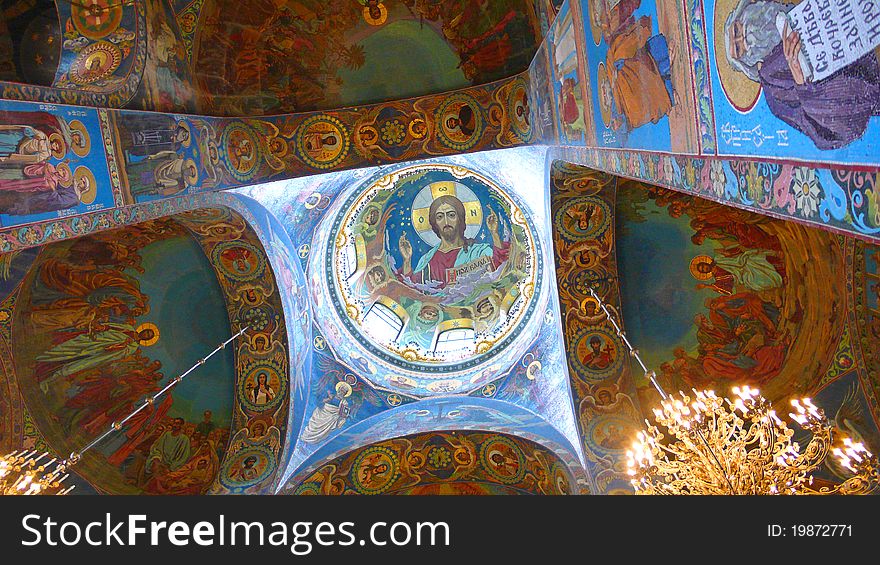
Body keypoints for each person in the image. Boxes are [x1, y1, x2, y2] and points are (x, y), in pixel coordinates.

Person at [723, 0, 880, 149]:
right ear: (747, 61)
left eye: (737, 30)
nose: (743, 38)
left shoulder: (797, 11)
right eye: (738, 48)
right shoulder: (774, 91)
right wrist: (803, 86)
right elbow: (827, 136)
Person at [398, 195, 510, 288]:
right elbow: (413, 289)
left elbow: (500, 269)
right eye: (440, 217)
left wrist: (494, 234)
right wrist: (407, 261)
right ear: (434, 223)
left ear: (460, 218)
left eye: (451, 215)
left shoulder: (478, 251)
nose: (446, 221)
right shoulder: (427, 260)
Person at [603, 16, 674, 132]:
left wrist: (619, 62)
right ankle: (667, 67)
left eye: (613, 123)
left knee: (622, 53)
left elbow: (612, 56)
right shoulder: (626, 114)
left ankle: (666, 55)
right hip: (641, 83)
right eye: (615, 125)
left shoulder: (610, 70)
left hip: (642, 58)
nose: (616, 123)